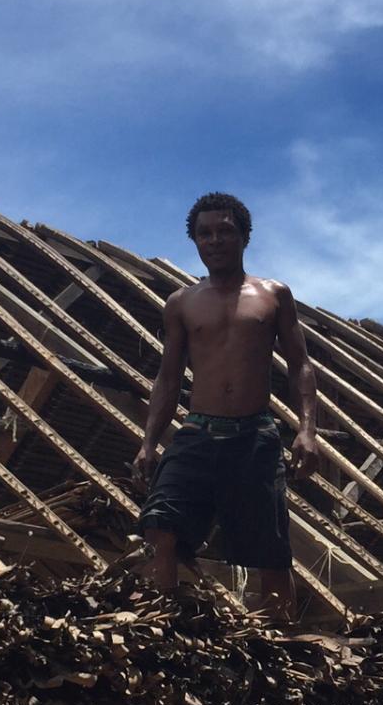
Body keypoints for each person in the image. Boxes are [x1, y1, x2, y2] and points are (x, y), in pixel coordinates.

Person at [132, 192, 320, 620]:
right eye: (204, 234)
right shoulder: (181, 303)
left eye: (224, 231)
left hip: (253, 435)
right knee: (160, 524)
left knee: (268, 550)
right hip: (198, 431)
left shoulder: (273, 295)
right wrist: (149, 441)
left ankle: (284, 643)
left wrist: (307, 431)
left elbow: (300, 366)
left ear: (244, 237)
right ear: (195, 241)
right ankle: (167, 629)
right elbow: (168, 376)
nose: (214, 240)